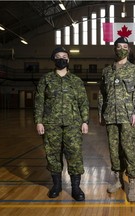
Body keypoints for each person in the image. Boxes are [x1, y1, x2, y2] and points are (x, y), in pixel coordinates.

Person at [34, 47, 89, 201]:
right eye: (58, 56)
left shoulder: (76, 81)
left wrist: (85, 121)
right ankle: (57, 186)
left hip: (73, 124)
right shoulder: (46, 80)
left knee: (75, 155)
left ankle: (76, 188)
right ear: (53, 59)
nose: (61, 59)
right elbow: (39, 102)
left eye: (64, 56)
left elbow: (83, 102)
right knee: (53, 155)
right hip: (51, 124)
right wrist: (38, 121)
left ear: (68, 60)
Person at [98, 37, 135, 202]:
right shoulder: (106, 71)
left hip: (128, 116)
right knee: (113, 149)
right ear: (114, 49)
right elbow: (102, 94)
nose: (122, 49)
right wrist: (101, 114)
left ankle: (132, 183)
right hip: (111, 115)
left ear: (129, 49)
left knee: (128, 149)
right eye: (119, 46)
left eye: (125, 46)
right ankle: (117, 179)